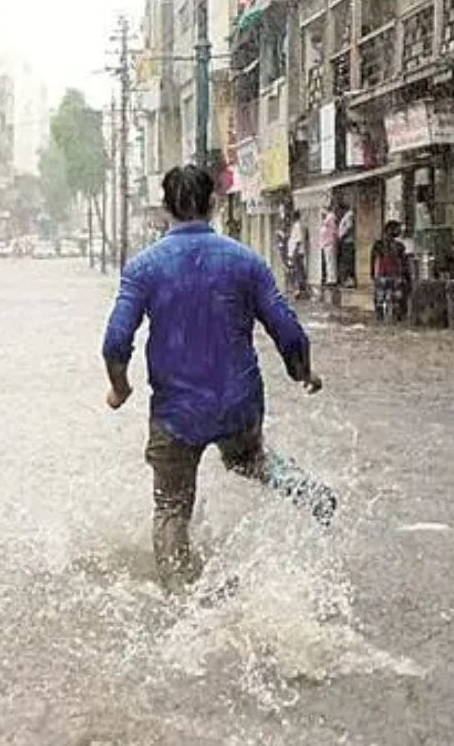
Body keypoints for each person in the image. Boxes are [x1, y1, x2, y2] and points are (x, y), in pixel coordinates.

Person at [102, 165, 335, 595]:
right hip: (238, 402)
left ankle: (181, 602)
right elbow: (286, 327)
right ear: (212, 205)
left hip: (176, 412)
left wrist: (120, 388)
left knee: (171, 507)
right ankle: (312, 495)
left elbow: (116, 340)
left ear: (166, 208)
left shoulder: (144, 267)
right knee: (251, 461)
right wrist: (303, 373)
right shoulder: (245, 261)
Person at [371, 220, 412, 323]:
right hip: (395, 277)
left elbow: (372, 261)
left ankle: (381, 319)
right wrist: (407, 278)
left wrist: (373, 275)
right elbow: (404, 264)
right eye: (397, 229)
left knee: (380, 303)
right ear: (391, 230)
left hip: (382, 277)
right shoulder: (399, 246)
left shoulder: (378, 244)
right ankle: (397, 320)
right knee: (397, 303)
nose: (399, 231)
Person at [319, 205, 340, 290]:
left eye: (322, 212)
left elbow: (333, 231)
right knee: (328, 262)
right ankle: (329, 278)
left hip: (330, 243)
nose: (321, 215)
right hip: (326, 244)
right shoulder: (326, 221)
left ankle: (332, 279)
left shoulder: (330, 218)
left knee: (331, 262)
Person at [337, 203, 357, 288]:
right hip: (346, 241)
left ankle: (350, 280)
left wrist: (342, 236)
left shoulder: (349, 215)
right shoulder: (347, 215)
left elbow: (349, 227)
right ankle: (347, 280)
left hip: (348, 241)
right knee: (346, 261)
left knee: (348, 261)